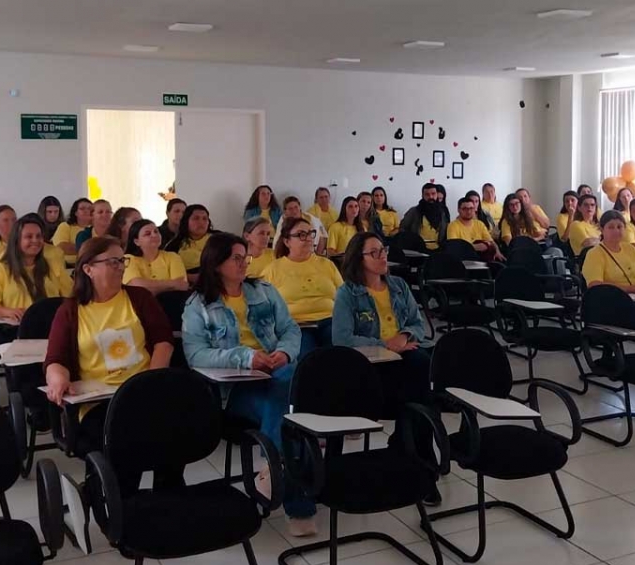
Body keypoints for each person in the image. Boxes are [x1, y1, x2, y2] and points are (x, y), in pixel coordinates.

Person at [181, 232, 317, 536]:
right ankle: (296, 501)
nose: (244, 263)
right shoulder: (198, 305)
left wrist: (284, 352)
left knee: (287, 385)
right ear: (216, 263)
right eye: (236, 258)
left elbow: (291, 329)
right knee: (289, 411)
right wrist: (245, 358)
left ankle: (274, 468)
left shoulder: (264, 292)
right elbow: (196, 355)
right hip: (236, 387)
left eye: (246, 258)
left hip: (277, 373)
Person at [332, 231, 441, 505]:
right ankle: (421, 462)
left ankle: (413, 457)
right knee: (421, 395)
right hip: (371, 366)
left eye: (384, 250)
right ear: (359, 258)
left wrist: (403, 337)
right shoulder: (347, 293)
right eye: (375, 252)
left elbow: (417, 324)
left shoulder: (399, 286)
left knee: (421, 370)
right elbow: (342, 339)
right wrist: (385, 345)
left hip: (403, 359)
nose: (383, 257)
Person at [43, 237, 174, 452]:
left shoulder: (139, 298)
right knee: (122, 438)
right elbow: (56, 358)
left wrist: (151, 383)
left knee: (171, 431)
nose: (121, 267)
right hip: (99, 402)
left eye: (122, 261)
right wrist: (58, 377)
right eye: (113, 262)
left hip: (143, 391)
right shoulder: (70, 311)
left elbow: (163, 342)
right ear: (88, 269)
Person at [261, 216, 343, 353]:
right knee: (306, 353)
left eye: (311, 233)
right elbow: (263, 308)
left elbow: (343, 296)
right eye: (301, 235)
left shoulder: (327, 264)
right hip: (297, 325)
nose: (309, 238)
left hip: (330, 321)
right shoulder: (272, 270)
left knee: (338, 352)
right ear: (287, 241)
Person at [0, 213, 74, 323]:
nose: (35, 240)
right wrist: (9, 312)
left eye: (39, 236)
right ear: (17, 240)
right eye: (29, 237)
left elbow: (71, 297)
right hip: (16, 328)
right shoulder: (0, 270)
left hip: (52, 326)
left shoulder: (53, 266)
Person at [582, 210, 635, 294]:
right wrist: (631, 289)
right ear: (602, 230)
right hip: (615, 297)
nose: (616, 231)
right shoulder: (594, 253)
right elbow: (595, 285)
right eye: (611, 227)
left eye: (619, 227)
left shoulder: (631, 249)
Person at [123, 219, 189, 294]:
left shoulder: (173, 257)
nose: (154, 235)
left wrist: (149, 286)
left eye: (156, 231)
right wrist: (172, 284)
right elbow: (138, 287)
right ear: (136, 241)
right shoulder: (128, 259)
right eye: (148, 234)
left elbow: (182, 285)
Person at [447, 197, 504, 261]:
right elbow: (455, 247)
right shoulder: (452, 226)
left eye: (471, 208)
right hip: (464, 260)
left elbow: (491, 242)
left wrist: (497, 252)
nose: (468, 211)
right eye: (465, 209)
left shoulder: (479, 224)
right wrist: (480, 246)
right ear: (458, 210)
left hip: (482, 259)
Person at [165, 204, 213, 277]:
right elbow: (167, 271)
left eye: (205, 218)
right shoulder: (174, 245)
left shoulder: (219, 239)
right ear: (186, 221)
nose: (201, 222)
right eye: (196, 218)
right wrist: (189, 277)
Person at [399, 182, 447, 249]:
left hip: (438, 249)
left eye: (433, 194)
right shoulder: (414, 211)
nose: (431, 197)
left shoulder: (442, 212)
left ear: (437, 194)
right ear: (422, 196)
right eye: (427, 194)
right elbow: (402, 228)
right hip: (418, 249)